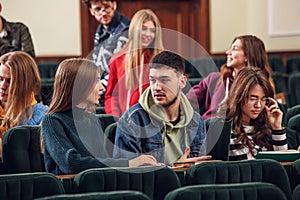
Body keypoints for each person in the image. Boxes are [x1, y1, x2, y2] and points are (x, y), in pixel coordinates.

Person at [41, 58, 160, 175]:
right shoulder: (52, 121)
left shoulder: (92, 119)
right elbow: (70, 164)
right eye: (97, 81)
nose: (102, 88)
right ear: (80, 85)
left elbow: (103, 161)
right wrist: (129, 163)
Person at [113, 51, 211, 166]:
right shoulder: (132, 120)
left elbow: (197, 173)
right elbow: (128, 176)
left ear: (182, 81)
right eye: (152, 80)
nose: (157, 87)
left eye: (165, 80)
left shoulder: (196, 121)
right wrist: (176, 168)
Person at [186, 35, 274, 120]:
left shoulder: (260, 87)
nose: (227, 52)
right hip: (209, 130)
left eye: (235, 49)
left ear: (248, 56)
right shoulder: (214, 79)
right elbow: (186, 103)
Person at [217, 67, 287, 161]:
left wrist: (277, 128)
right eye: (253, 99)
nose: (258, 105)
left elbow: (282, 162)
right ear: (239, 96)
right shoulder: (224, 130)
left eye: (263, 99)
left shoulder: (266, 128)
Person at [104, 9, 164, 117]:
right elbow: (111, 96)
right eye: (144, 29)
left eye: (152, 31)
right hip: (124, 122)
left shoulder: (162, 60)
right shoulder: (118, 59)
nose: (148, 34)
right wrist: (116, 118)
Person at [82, 0, 130, 105]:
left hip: (115, 92)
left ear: (114, 4)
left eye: (107, 7)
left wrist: (93, 92)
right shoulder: (101, 29)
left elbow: (117, 71)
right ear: (91, 11)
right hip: (100, 88)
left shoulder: (124, 30)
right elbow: (96, 63)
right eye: (98, 9)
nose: (103, 13)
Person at [0, 51, 47, 156]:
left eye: (10, 81)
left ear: (24, 84)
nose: (3, 86)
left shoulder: (42, 116)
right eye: (1, 79)